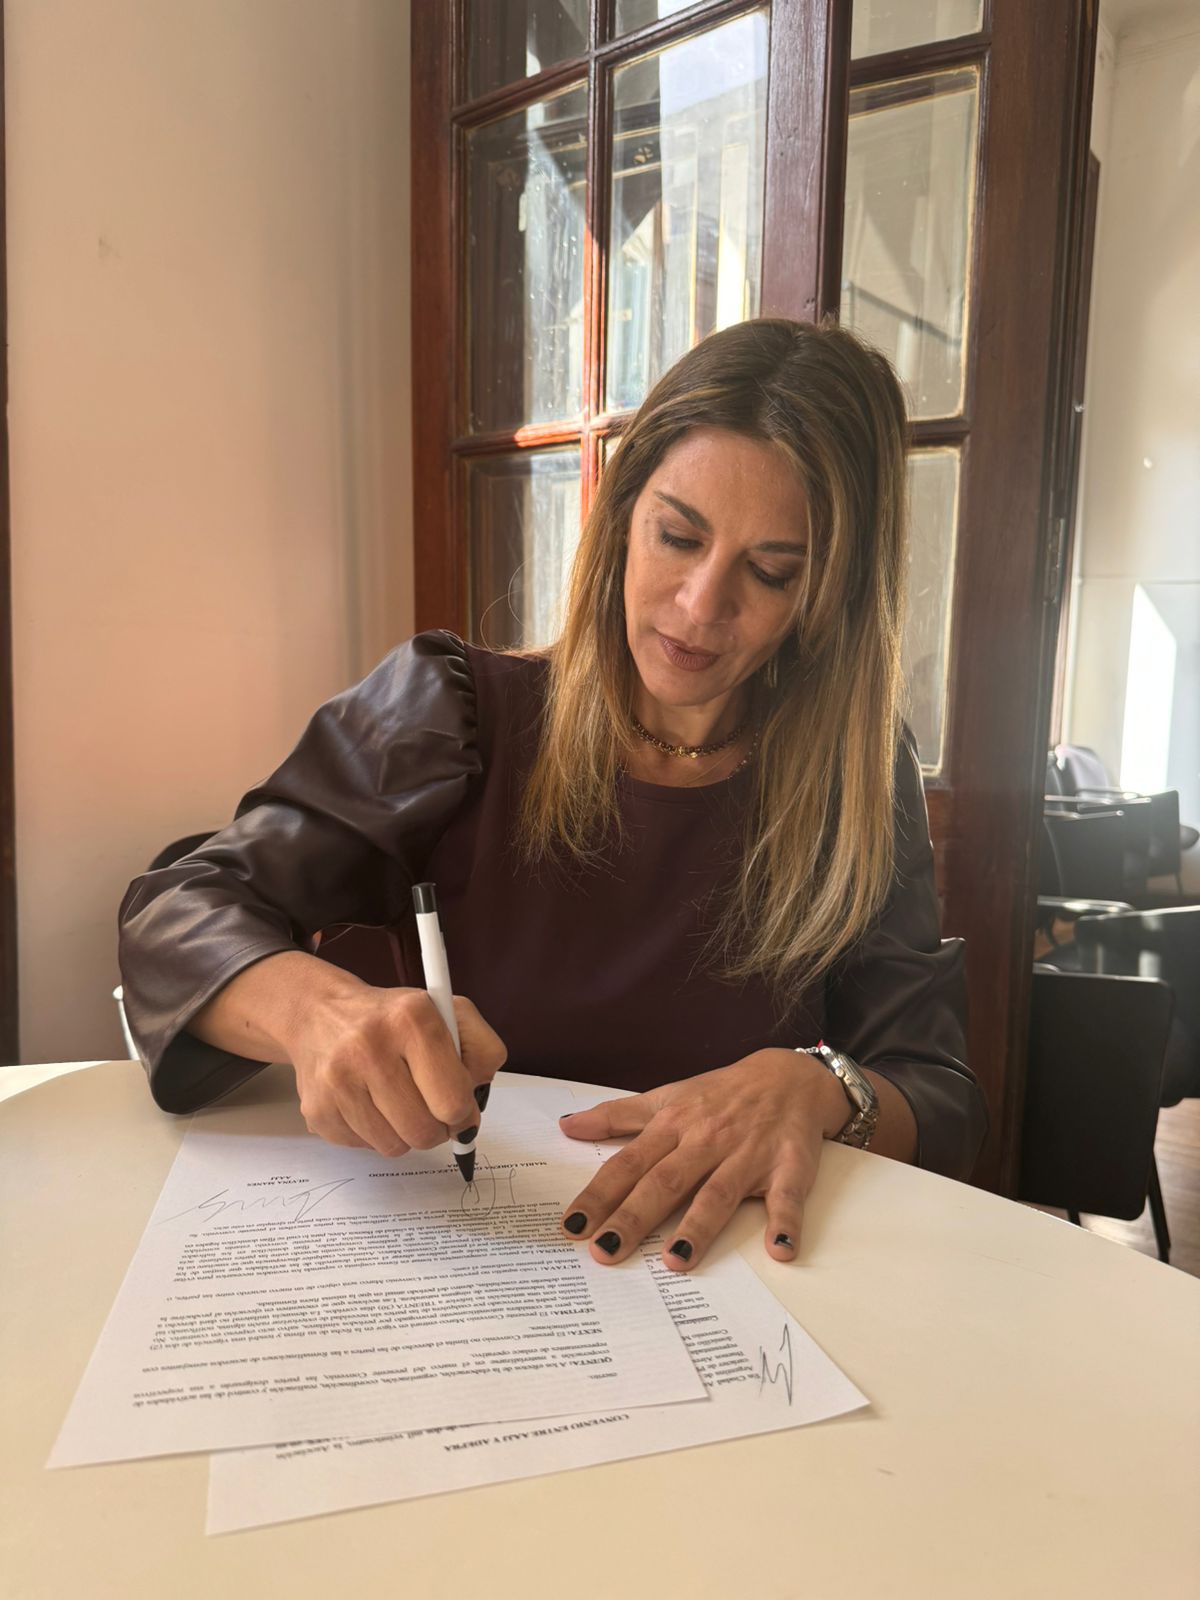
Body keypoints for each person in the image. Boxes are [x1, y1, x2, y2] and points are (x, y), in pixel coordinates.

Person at [118, 317, 987, 1274]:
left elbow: (936, 1091)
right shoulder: (454, 712)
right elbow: (176, 911)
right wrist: (314, 1012)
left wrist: (817, 1088)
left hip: (729, 1283)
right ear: (622, 517)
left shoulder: (858, 783)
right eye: (677, 536)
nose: (700, 605)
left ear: (832, 597)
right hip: (453, 1258)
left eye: (772, 571)